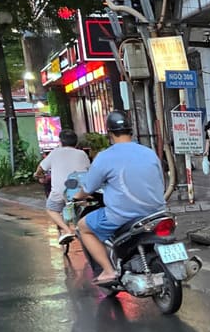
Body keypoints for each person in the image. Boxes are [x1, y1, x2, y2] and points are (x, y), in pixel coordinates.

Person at [74, 110, 167, 286]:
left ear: (109, 133)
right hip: (157, 212)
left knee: (83, 227)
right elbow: (161, 181)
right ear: (131, 131)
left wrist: (76, 197)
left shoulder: (105, 157)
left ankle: (108, 271)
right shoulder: (149, 152)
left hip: (122, 215)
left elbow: (88, 187)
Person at [34, 129, 91, 246]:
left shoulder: (55, 153)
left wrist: (37, 174)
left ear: (60, 142)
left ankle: (67, 230)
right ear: (76, 142)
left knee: (51, 209)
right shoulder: (82, 154)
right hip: (80, 191)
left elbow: (41, 168)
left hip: (62, 191)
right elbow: (89, 170)